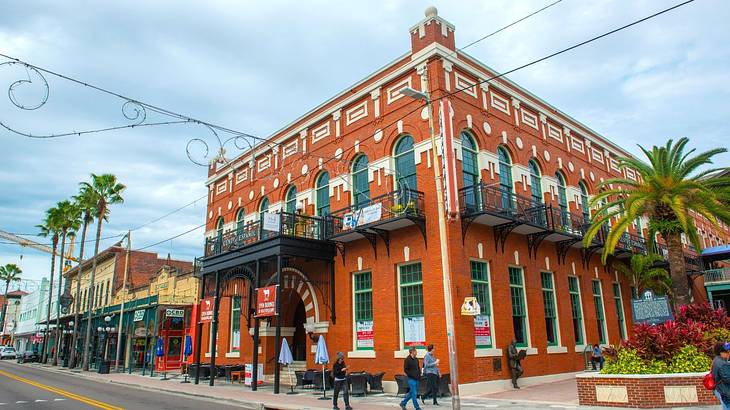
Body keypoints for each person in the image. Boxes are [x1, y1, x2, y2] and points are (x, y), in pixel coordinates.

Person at [712, 342, 730, 409]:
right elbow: (728, 379)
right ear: (721, 352)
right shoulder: (723, 364)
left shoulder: (716, 359)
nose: (729, 353)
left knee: (725, 406)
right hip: (724, 391)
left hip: (719, 389)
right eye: (727, 352)